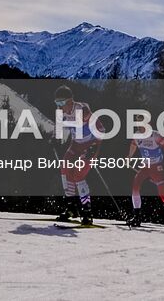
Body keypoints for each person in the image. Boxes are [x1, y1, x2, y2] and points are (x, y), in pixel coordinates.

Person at [49, 85, 98, 225]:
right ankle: (71, 208)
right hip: (76, 144)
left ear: (70, 100)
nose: (59, 106)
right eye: (56, 103)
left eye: (61, 102)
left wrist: (93, 147)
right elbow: (58, 129)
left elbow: (101, 129)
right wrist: (54, 138)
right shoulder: (60, 112)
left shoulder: (83, 110)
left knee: (78, 175)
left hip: (90, 145)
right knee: (64, 169)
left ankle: (87, 213)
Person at [127, 127, 164, 227]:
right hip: (145, 166)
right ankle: (137, 217)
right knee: (135, 187)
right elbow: (133, 144)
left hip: (157, 167)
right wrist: (129, 157)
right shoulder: (137, 135)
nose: (139, 127)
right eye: (138, 124)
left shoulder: (155, 135)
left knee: (163, 196)